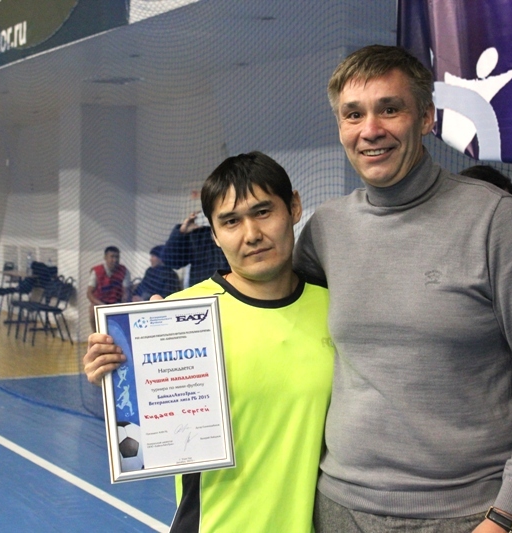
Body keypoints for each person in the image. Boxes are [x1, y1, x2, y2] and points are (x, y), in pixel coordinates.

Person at [293, 44, 512, 533]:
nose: (370, 130)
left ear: (427, 117)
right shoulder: (326, 228)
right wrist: (171, 322)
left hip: (463, 516)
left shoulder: (493, 220)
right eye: (353, 114)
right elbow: (267, 310)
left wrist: (507, 512)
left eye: (390, 109)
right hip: (339, 508)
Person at [84, 151, 333, 533]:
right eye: (231, 221)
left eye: (263, 212)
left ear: (294, 207)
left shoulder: (336, 310)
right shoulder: (180, 316)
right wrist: (118, 368)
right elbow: (140, 438)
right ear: (214, 234)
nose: (252, 234)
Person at [162, 211, 229, 287]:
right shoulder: (199, 235)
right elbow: (171, 262)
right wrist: (181, 233)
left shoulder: (233, 235)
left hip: (232, 289)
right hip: (203, 290)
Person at [87, 246, 131, 328]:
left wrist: (123, 302)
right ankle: (96, 333)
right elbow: (89, 293)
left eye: (117, 257)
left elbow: (126, 291)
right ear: (105, 257)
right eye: (112, 257)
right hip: (100, 302)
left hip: (116, 302)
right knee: (92, 309)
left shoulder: (124, 271)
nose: (115, 260)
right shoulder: (96, 271)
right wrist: (102, 305)